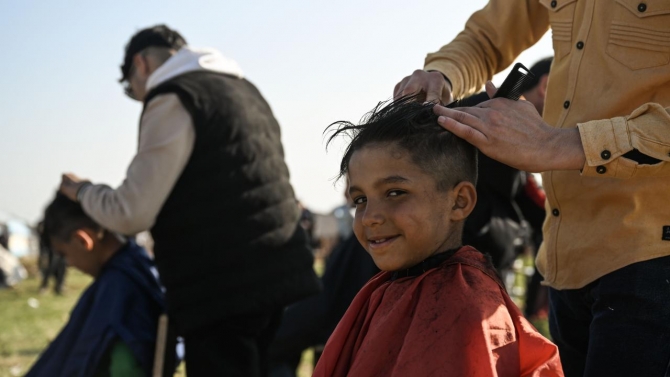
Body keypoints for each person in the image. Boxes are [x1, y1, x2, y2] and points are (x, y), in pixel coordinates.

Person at [394, 2, 670, 376]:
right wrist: (442, 74)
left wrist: (557, 145)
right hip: (565, 260)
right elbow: (488, 35)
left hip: (653, 257)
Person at [58, 24, 321, 376]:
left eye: (131, 89)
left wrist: (83, 191)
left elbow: (130, 212)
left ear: (141, 64)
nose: (138, 98)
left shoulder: (173, 96)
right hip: (278, 273)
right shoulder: (243, 88)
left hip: (221, 287)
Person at [313, 96, 563, 376]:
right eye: (360, 199)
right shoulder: (386, 288)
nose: (370, 216)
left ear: (459, 201)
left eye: (395, 193)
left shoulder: (465, 308)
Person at [26, 193, 169, 377]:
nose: (68, 263)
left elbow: (126, 368)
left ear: (83, 240)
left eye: (63, 254)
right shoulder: (137, 266)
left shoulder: (119, 291)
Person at [37, 221, 67, 295]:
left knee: (62, 268)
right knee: (50, 267)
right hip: (52, 249)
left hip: (63, 249)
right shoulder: (48, 220)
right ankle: (44, 286)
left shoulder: (64, 220)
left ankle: (59, 287)